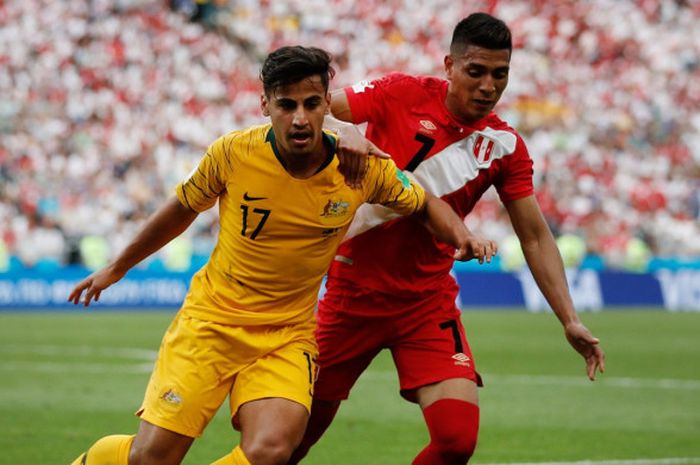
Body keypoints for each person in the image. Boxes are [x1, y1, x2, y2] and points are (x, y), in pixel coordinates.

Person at [66, 45, 496, 465]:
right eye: (286, 104)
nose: (300, 118)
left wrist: (461, 234)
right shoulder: (232, 153)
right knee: (152, 458)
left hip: (286, 336)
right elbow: (181, 209)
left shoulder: (361, 168)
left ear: (328, 104)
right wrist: (117, 267)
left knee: (271, 451)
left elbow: (422, 203)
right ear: (264, 105)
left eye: (311, 104)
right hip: (211, 324)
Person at [288, 13, 606, 465]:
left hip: (426, 303)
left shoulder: (504, 145)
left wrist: (569, 318)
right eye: (475, 71)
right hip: (350, 297)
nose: (488, 85)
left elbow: (535, 237)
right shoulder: (401, 92)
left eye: (500, 74)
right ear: (449, 66)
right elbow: (310, 109)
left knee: (456, 441)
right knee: (289, 443)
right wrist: (346, 135)